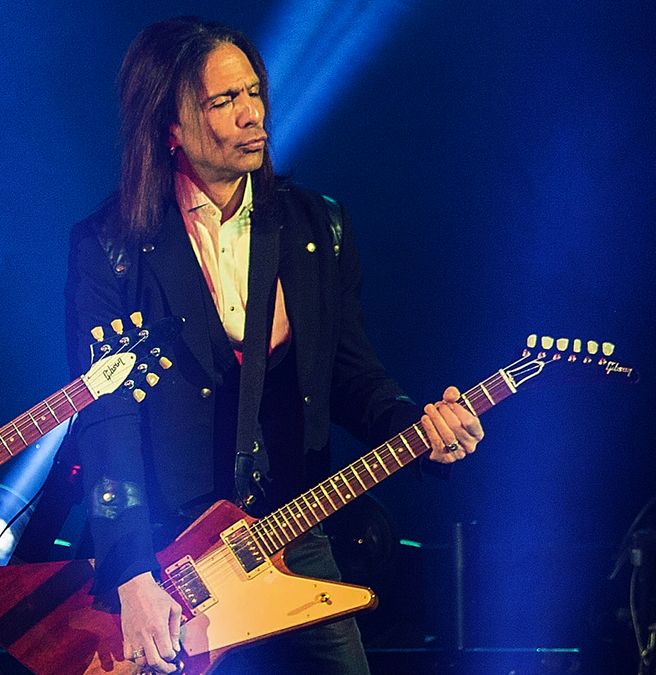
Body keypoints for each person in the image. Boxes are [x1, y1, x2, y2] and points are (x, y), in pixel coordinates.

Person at [64, 17, 483, 674]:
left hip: (291, 528)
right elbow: (105, 418)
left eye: (254, 93)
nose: (252, 115)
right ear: (170, 125)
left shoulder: (318, 224)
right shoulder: (110, 245)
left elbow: (350, 372)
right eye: (224, 101)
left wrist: (417, 423)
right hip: (171, 549)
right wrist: (130, 571)